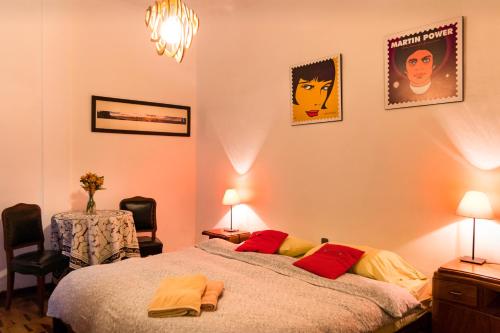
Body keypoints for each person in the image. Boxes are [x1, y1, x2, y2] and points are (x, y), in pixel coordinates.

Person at [389, 37, 456, 104]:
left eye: (426, 60)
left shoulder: (444, 92)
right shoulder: (396, 97)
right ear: (405, 70)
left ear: (433, 66)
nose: (419, 67)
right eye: (412, 62)